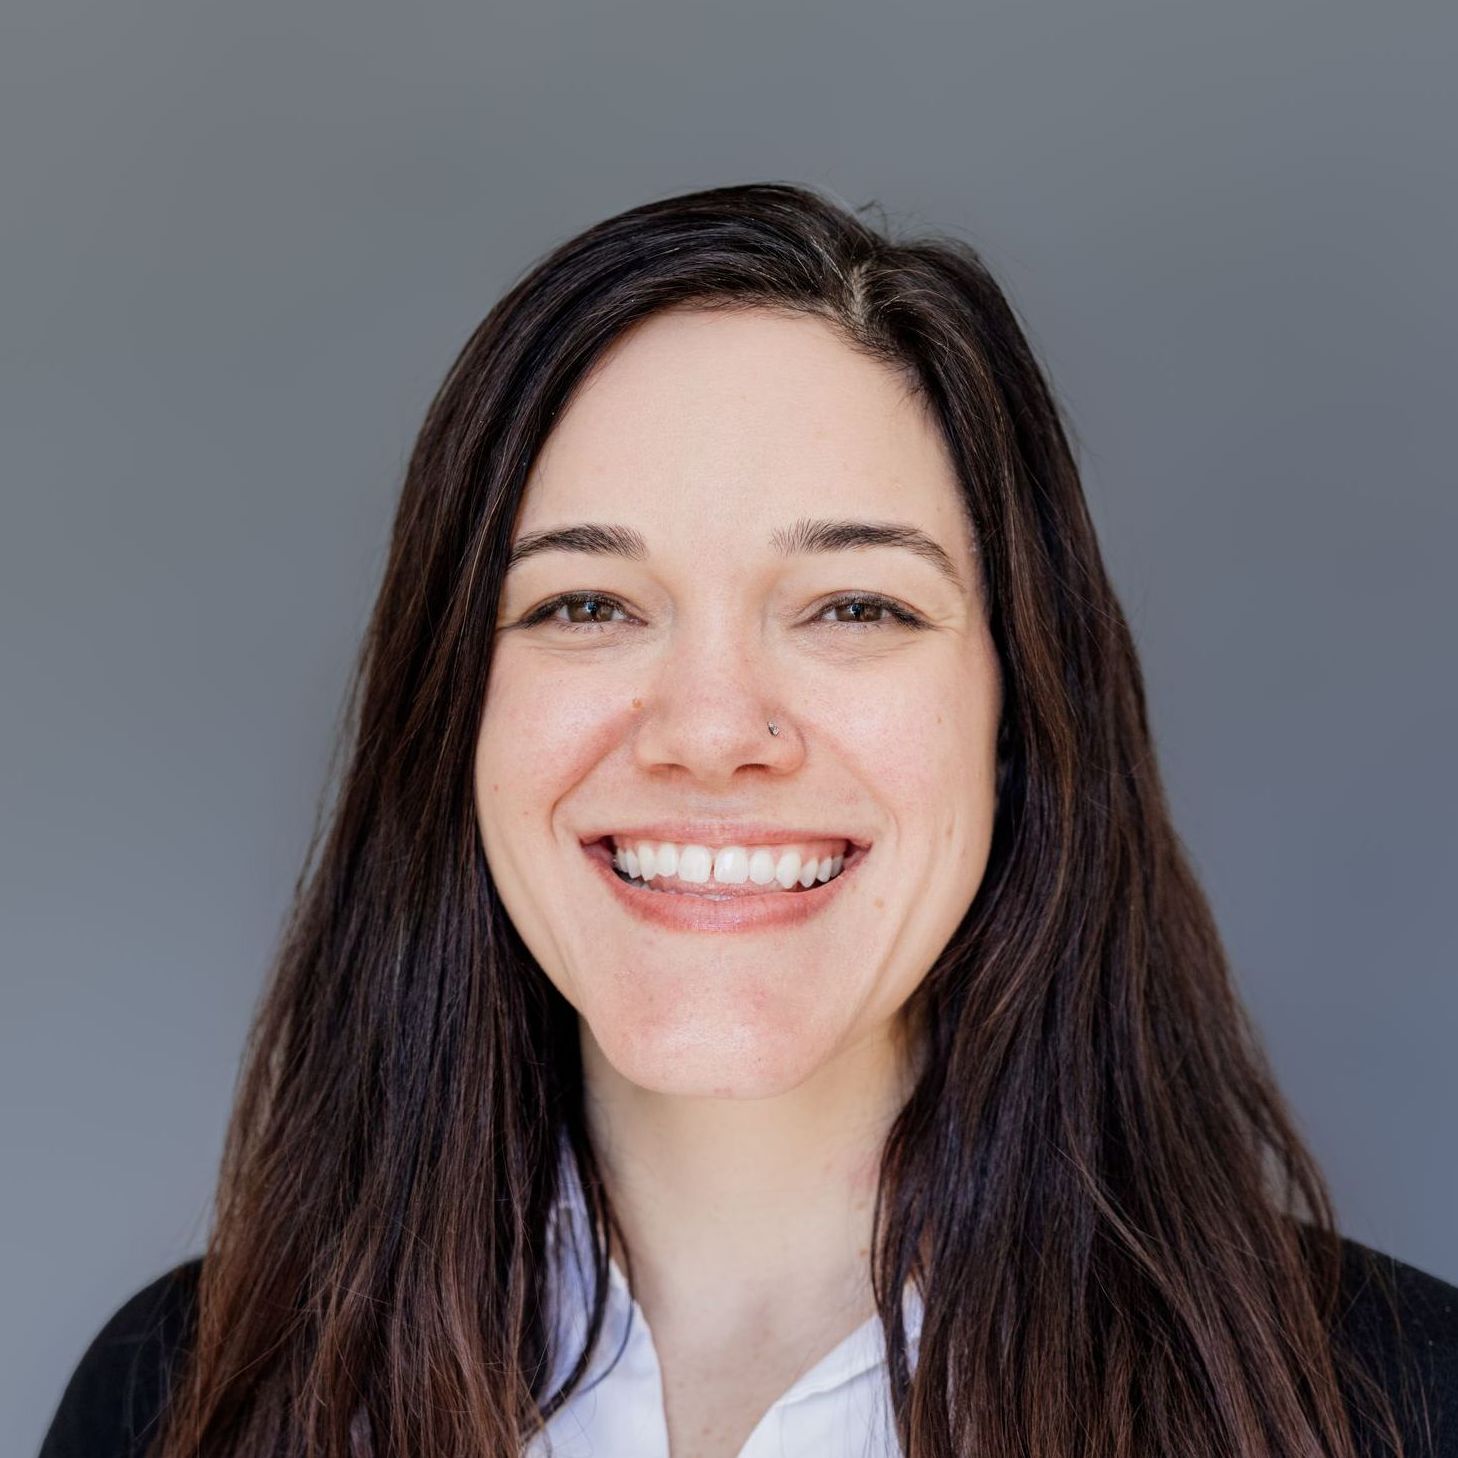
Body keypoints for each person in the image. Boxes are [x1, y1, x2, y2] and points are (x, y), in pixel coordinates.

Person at [39, 182, 1458, 1458]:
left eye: (855, 606)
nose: (711, 728)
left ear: (1018, 710)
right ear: (455, 715)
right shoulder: (181, 1399)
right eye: (585, 605)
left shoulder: (1390, 1404)